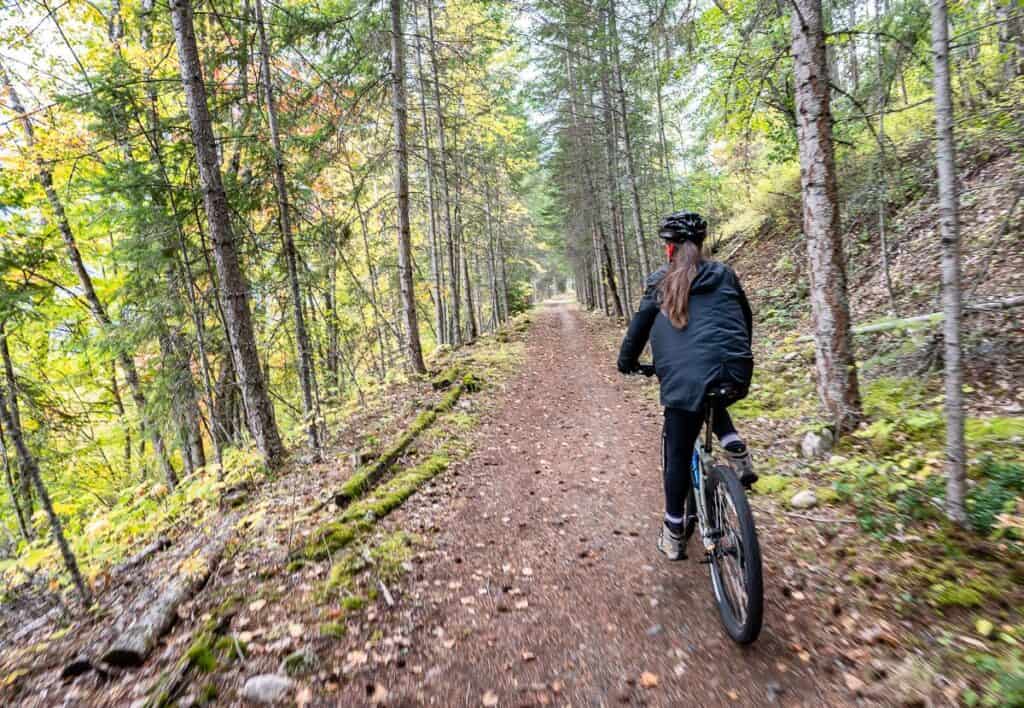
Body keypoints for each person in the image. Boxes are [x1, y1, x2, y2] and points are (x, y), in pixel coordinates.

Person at [617, 211, 756, 561]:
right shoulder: (724, 273)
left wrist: (627, 362)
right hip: (735, 371)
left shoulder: (659, 280)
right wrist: (739, 357)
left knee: (677, 453)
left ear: (670, 248)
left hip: (684, 380)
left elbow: (639, 328)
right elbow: (745, 317)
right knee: (708, 386)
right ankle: (733, 443)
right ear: (700, 245)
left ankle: (674, 532)